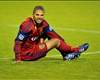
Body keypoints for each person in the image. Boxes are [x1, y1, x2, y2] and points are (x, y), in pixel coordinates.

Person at [14, 6, 89, 63]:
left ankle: (66, 55)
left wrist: (62, 43)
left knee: (52, 37)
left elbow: (54, 35)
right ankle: (75, 50)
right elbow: (17, 42)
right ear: (33, 15)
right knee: (56, 41)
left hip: (34, 49)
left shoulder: (44, 24)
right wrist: (18, 59)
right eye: (37, 15)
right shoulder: (27, 25)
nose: (39, 17)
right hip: (26, 54)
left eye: (41, 15)